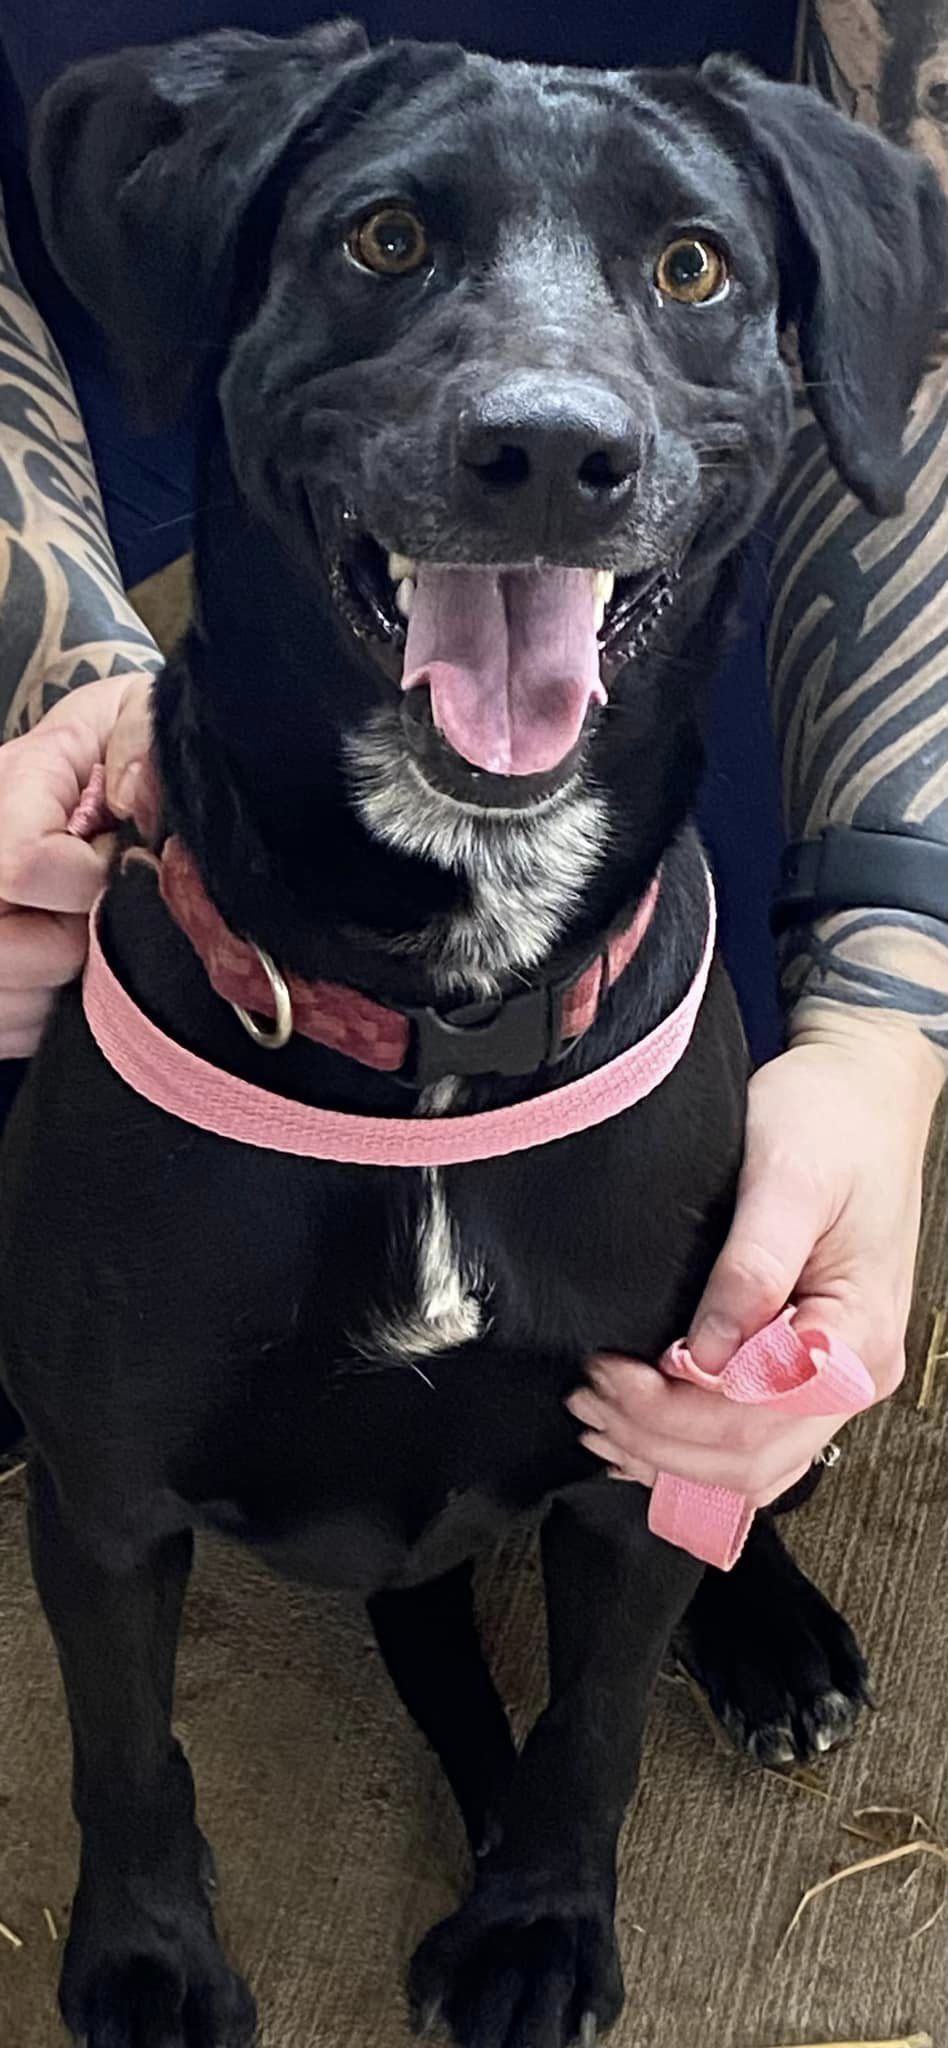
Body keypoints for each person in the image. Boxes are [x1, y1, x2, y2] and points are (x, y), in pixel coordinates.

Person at [0, 0, 945, 1510]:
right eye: (388, 241)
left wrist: (880, 1039)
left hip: (678, 843)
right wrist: (74, 679)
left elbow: (913, 322)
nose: (551, 403)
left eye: (687, 268)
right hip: (171, 577)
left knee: (677, 1371)